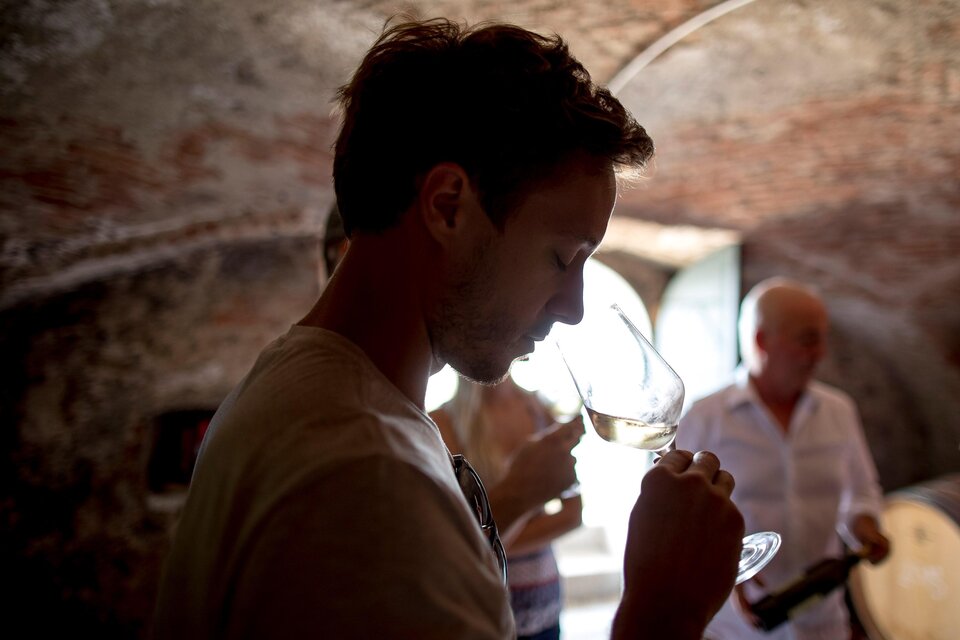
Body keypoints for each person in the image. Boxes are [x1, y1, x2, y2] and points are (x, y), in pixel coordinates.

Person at [153, 17, 745, 639]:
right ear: (447, 206)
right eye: (562, 258)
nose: (572, 307)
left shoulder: (298, 391)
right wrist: (662, 612)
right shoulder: (368, 478)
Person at [676, 277, 891, 640]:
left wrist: (865, 527)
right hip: (737, 627)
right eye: (808, 339)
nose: (820, 352)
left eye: (823, 338)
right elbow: (678, 519)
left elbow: (861, 491)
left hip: (824, 620)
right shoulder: (705, 417)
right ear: (762, 341)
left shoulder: (839, 410)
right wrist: (719, 570)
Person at [432, 375, 584, 640]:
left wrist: (490, 538)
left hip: (544, 599)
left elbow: (572, 516)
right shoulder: (442, 424)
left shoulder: (538, 409)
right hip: (486, 604)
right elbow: (446, 545)